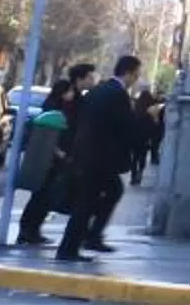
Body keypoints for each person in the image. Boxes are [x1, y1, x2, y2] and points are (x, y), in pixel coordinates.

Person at [55, 57, 142, 262]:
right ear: (128, 73)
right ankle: (70, 248)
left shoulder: (99, 90)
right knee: (87, 202)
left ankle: (91, 236)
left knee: (110, 192)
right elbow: (125, 127)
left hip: (88, 155)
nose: (137, 78)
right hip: (99, 159)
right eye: (136, 74)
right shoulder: (117, 94)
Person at [16, 77, 79, 246]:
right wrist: (59, 153)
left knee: (45, 197)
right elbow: (48, 137)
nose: (72, 94)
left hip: (54, 161)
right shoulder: (53, 108)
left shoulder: (64, 108)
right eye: (70, 91)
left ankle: (34, 230)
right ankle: (27, 230)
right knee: (41, 196)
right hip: (48, 161)